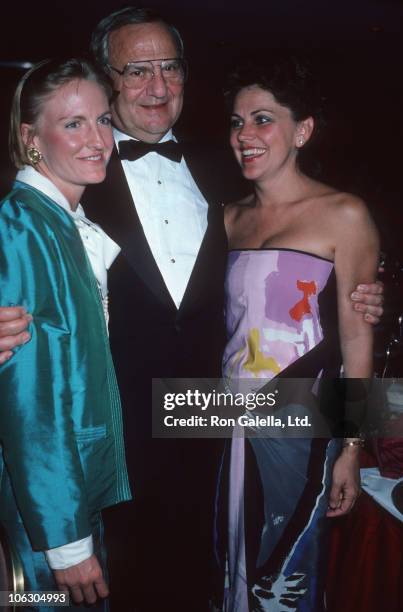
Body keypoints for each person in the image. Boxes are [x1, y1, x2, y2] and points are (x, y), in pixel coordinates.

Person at [0, 8, 384, 610]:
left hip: (212, 435)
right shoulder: (77, 166)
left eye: (170, 67)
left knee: (208, 585)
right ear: (105, 78)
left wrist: (360, 300)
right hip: (108, 454)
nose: (157, 86)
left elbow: (285, 296)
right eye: (136, 71)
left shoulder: (225, 174)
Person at [212, 56, 380, 611]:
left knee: (285, 572)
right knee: (227, 561)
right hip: (223, 421)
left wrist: (352, 447)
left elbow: (357, 340)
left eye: (263, 119)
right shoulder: (227, 218)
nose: (246, 136)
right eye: (237, 122)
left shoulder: (344, 215)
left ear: (301, 131)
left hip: (300, 424)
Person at [0, 58, 131, 610]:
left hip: (69, 490)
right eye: (73, 124)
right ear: (32, 139)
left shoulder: (57, 221)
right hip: (47, 506)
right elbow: (32, 397)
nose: (97, 138)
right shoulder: (27, 226)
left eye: (103, 120)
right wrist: (66, 541)